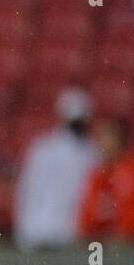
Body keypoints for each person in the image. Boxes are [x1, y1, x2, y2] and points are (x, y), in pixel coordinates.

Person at [14, 87, 98, 250]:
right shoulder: (44, 149)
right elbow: (27, 190)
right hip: (46, 231)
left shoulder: (90, 152)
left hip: (57, 231)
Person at [78, 117, 134, 243]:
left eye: (107, 137)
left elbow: (132, 225)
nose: (102, 143)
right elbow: (86, 219)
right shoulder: (97, 175)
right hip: (103, 248)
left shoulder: (132, 173)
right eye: (100, 138)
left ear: (120, 141)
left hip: (129, 251)